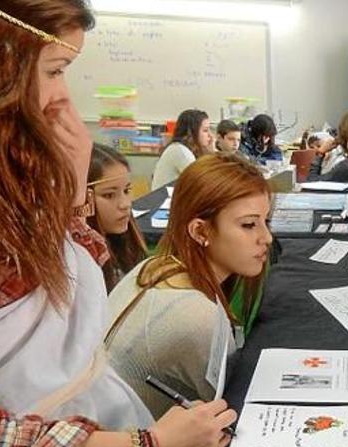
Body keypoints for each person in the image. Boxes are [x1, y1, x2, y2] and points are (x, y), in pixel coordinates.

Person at [0, 1, 236, 447]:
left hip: (97, 439)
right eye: (54, 71)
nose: (61, 100)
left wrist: (69, 195)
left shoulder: (1, 185)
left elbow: (69, 293)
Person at [108, 153, 273, 419]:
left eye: (266, 221)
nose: (266, 237)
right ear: (200, 231)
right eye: (248, 225)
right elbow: (225, 412)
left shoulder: (153, 266)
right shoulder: (197, 317)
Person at [87, 143, 148, 292]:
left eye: (127, 190)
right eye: (109, 195)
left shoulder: (129, 244)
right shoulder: (83, 265)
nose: (125, 204)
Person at [151, 108, 213, 189]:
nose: (210, 135)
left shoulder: (183, 149)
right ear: (190, 132)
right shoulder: (180, 151)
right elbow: (204, 183)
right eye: (205, 130)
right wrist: (213, 153)